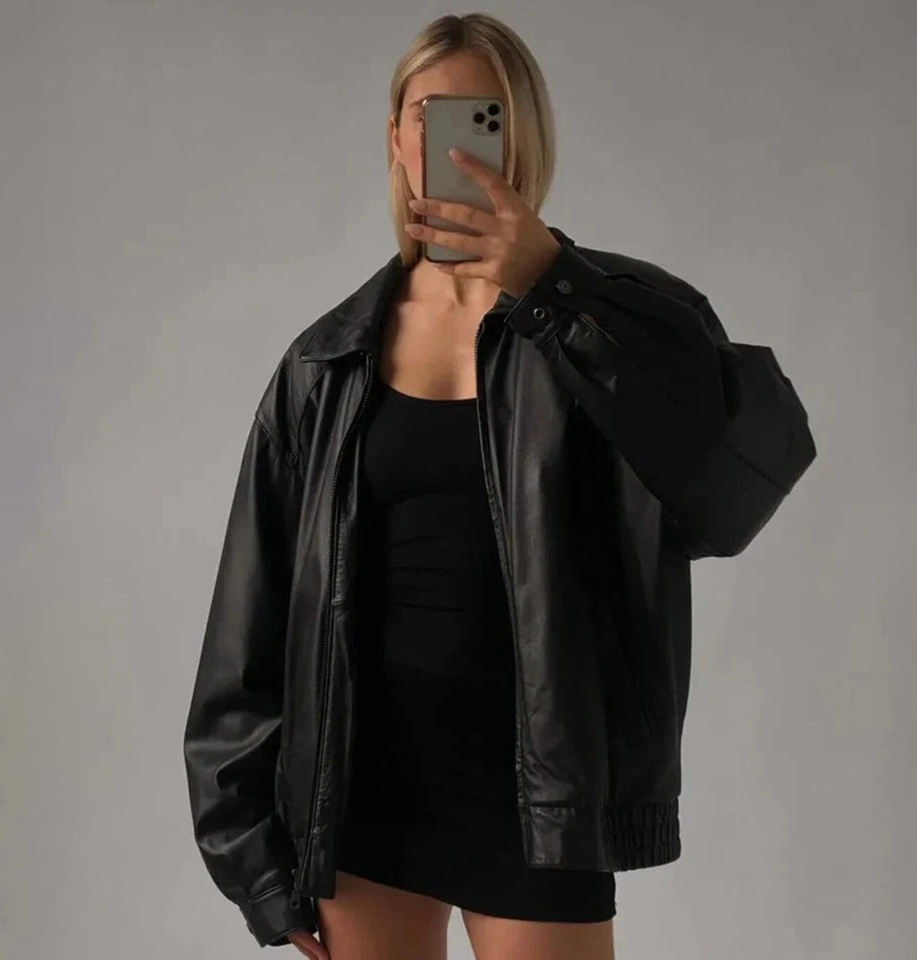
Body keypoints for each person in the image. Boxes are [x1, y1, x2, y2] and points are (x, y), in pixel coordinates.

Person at [183, 12, 817, 960]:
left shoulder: (613, 320)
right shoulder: (327, 360)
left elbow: (732, 488)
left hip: (542, 797)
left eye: (482, 116)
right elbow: (251, 618)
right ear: (397, 138)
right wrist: (256, 862)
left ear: (521, 135)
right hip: (364, 797)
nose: (452, 142)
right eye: (428, 115)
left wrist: (557, 287)